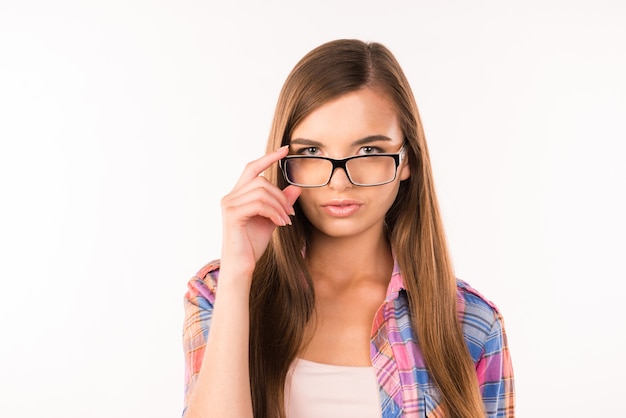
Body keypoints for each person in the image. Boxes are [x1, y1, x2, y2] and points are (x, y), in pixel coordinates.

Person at [182, 39, 514, 418]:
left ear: (407, 160)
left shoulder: (470, 323)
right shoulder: (216, 294)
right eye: (311, 152)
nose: (339, 182)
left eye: (369, 151)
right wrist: (240, 274)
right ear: (283, 158)